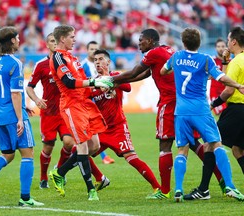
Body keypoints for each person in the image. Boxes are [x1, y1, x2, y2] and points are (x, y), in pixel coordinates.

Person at [100, 28, 224, 199]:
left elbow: (135, 71)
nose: (139, 43)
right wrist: (118, 82)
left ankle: (164, 191)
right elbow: (145, 74)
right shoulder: (166, 50)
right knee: (194, 142)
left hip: (169, 103)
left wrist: (110, 80)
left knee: (165, 145)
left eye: (141, 40)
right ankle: (222, 180)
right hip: (183, 102)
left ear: (150, 41)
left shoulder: (154, 52)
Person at [160, 27, 244, 202]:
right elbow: (221, 77)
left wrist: (174, 70)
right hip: (201, 110)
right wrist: (237, 85)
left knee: (182, 150)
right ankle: (230, 186)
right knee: (216, 144)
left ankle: (178, 190)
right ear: (200, 42)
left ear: (183, 43)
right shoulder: (205, 60)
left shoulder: (176, 57)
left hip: (181, 111)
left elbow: (163, 71)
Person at [0, 26, 44, 206]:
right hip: (13, 116)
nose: (19, 41)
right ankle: (25, 198)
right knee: (28, 154)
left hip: (0, 115)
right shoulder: (15, 63)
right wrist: (20, 118)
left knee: (8, 155)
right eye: (18, 38)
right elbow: (15, 93)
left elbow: (7, 91)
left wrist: (23, 106)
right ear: (12, 40)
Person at [49, 25, 113, 201]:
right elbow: (69, 82)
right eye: (72, 36)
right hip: (72, 105)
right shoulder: (58, 58)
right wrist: (94, 82)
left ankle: (59, 172)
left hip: (85, 103)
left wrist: (98, 84)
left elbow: (84, 81)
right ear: (63, 39)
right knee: (83, 145)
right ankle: (91, 190)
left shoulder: (73, 58)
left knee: (95, 146)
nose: (75, 39)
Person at [91, 49, 162, 196]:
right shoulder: (93, 82)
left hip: (118, 128)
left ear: (108, 61)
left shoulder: (116, 76)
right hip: (101, 129)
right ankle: (100, 178)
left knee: (132, 158)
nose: (97, 62)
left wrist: (110, 82)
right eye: (95, 60)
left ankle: (157, 188)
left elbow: (128, 87)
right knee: (78, 152)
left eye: (100, 59)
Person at [190, 26, 244, 201]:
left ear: (234, 41)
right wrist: (226, 62)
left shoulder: (238, 61)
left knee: (210, 142)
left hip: (237, 110)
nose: (227, 43)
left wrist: (213, 104)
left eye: (228, 40)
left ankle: (203, 190)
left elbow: (229, 89)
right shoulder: (237, 60)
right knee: (238, 149)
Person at [26, 33, 75, 189]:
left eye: (56, 40)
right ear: (47, 44)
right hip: (49, 113)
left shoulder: (68, 61)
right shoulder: (41, 65)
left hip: (65, 111)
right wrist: (36, 100)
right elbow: (29, 87)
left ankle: (59, 172)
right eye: (52, 41)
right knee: (48, 147)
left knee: (69, 143)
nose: (55, 43)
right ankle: (43, 178)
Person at [81, 40, 115, 165]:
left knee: (96, 133)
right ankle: (103, 156)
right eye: (91, 49)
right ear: (87, 50)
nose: (94, 51)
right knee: (92, 134)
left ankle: (101, 157)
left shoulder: (102, 63)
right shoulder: (83, 65)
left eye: (96, 49)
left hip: (99, 102)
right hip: (89, 104)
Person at [209, 38, 227, 115]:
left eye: (223, 46)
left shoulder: (230, 61)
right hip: (215, 92)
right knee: (220, 113)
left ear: (226, 47)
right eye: (218, 46)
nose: (221, 48)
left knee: (227, 113)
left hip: (226, 92)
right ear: (215, 48)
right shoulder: (211, 61)